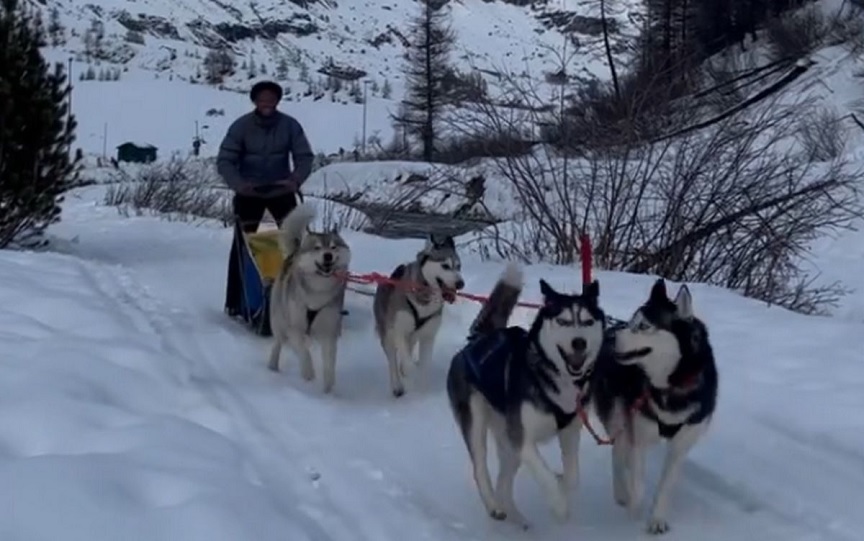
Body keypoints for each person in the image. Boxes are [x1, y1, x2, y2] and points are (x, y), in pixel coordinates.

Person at [217, 80, 315, 317]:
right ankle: (240, 302)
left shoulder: (290, 126)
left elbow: (304, 156)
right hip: (249, 194)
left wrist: (294, 180)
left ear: (278, 101)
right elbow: (225, 160)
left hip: (281, 192)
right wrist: (240, 184)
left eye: (271, 99)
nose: (267, 103)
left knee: (291, 245)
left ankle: (298, 302)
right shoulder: (241, 127)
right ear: (255, 101)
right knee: (247, 247)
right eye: (262, 99)